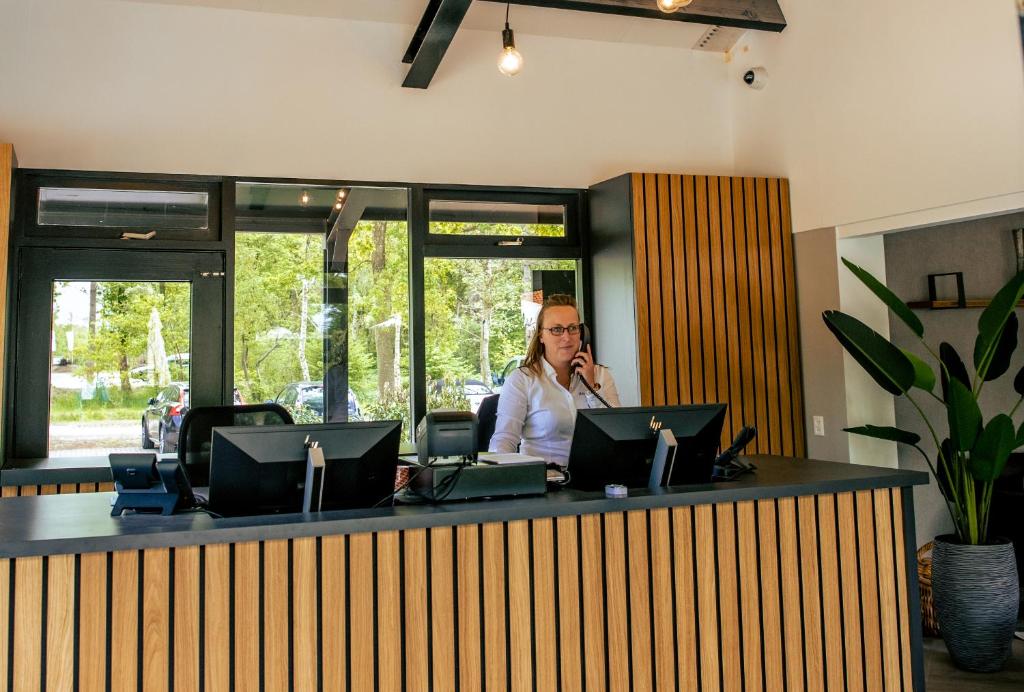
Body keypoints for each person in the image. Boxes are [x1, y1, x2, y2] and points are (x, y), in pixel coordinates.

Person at [489, 294, 620, 466]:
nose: (567, 337)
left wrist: (592, 387)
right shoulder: (523, 380)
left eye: (573, 328)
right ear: (541, 336)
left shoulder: (601, 375)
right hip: (544, 481)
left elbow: (617, 432)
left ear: (582, 333)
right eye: (557, 330)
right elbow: (504, 441)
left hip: (596, 479)